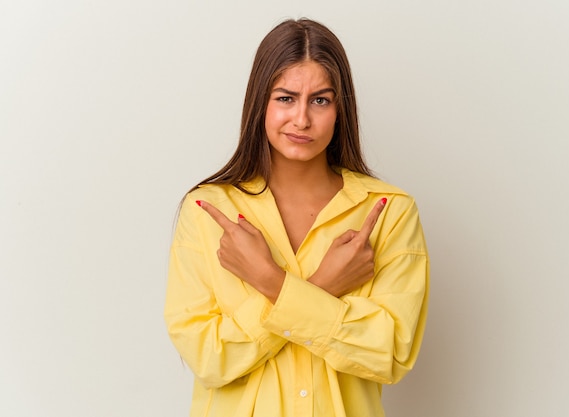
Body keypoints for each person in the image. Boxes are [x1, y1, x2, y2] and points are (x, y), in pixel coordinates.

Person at [164, 18, 429, 417]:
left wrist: (270, 282)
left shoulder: (389, 212)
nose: (302, 119)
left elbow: (389, 353)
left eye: (320, 100)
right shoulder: (208, 211)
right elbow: (209, 359)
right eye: (285, 98)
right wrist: (323, 285)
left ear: (341, 109)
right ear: (260, 102)